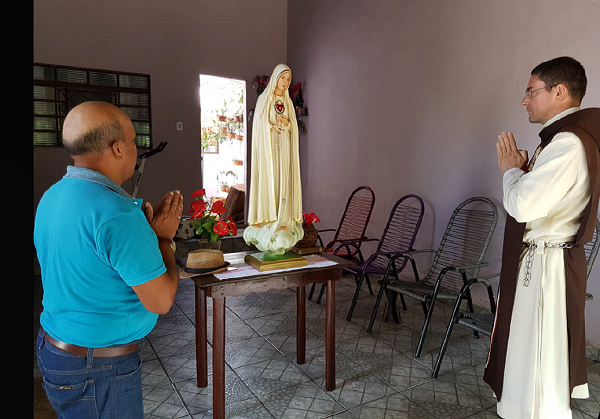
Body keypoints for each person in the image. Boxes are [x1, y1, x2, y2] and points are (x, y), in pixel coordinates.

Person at [34, 101, 184, 418]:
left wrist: (141, 238)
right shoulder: (117, 214)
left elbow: (90, 261)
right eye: (132, 141)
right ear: (117, 149)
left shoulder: (52, 196)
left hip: (55, 349)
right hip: (98, 367)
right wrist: (162, 239)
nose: (134, 149)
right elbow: (161, 300)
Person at [484, 56, 600, 419]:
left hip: (546, 269)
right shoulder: (561, 138)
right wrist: (522, 172)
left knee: (536, 368)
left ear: (559, 91)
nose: (524, 100)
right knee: (529, 362)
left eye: (531, 91)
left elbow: (522, 204)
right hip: (543, 261)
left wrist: (509, 172)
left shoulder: (567, 143)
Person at [243, 64, 304, 254]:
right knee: (272, 181)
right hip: (269, 151)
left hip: (284, 148)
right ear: (276, 78)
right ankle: (268, 220)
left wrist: (286, 124)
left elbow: (292, 126)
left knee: (284, 181)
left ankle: (283, 219)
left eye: (288, 79)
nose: (285, 82)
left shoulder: (287, 102)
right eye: (283, 78)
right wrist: (271, 127)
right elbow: (259, 124)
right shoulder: (264, 99)